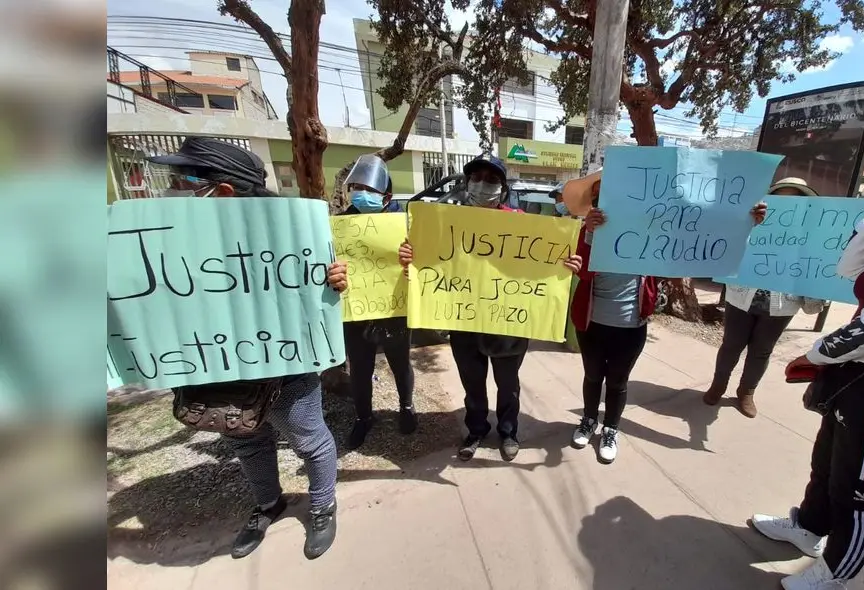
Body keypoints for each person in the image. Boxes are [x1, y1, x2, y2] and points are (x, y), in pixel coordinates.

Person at [147, 137, 345, 560]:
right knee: (247, 441)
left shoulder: (291, 238)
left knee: (309, 439)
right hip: (219, 367)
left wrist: (331, 282)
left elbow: (314, 292)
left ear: (222, 193)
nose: (171, 190)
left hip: (285, 369)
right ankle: (268, 504)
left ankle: (323, 506)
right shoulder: (168, 244)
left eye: (183, 182)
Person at [565, 171, 766, 464]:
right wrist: (590, 235)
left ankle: (610, 428)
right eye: (598, 197)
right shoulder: (586, 231)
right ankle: (588, 420)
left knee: (618, 382)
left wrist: (744, 223)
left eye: (612, 195)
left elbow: (698, 239)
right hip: (591, 324)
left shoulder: (652, 230)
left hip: (630, 327)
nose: (605, 202)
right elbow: (584, 273)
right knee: (593, 376)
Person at [750, 185, 864, 590]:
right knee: (829, 459)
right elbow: (849, 267)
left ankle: (835, 575)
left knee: (861, 488)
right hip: (860, 370)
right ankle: (809, 528)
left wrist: (816, 354)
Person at [398, 155, 579, 462]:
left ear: (503, 189)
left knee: (508, 385)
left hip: (508, 324)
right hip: (465, 322)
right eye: (476, 178)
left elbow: (542, 263)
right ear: (467, 183)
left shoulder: (521, 223)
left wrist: (565, 264)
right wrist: (411, 260)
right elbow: (429, 264)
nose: (482, 185)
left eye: (492, 180)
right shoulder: (445, 222)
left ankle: (508, 431)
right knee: (472, 384)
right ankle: (476, 430)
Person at [704, 177, 827, 418]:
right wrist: (749, 226)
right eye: (780, 200)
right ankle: (718, 385)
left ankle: (746, 392)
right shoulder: (749, 225)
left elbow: (815, 270)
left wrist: (817, 292)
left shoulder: (812, 237)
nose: (787, 205)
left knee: (761, 351)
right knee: (731, 345)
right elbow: (726, 250)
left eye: (795, 201)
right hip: (740, 298)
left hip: (782, 306)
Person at [339, 154, 416, 449]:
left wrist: (412, 260)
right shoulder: (341, 224)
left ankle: (406, 406)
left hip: (394, 308)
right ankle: (363, 417)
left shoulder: (403, 224)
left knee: (400, 363)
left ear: (386, 196)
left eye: (369, 189)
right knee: (360, 368)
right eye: (356, 187)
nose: (361, 193)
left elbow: (424, 262)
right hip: (356, 310)